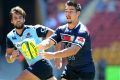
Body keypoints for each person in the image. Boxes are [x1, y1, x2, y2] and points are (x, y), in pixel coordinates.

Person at [38, 1, 95, 80]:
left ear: (78, 13)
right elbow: (49, 41)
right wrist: (38, 46)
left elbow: (73, 50)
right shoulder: (61, 29)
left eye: (71, 11)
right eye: (66, 11)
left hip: (84, 71)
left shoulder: (82, 31)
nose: (68, 14)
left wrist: (53, 55)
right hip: (70, 69)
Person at [5, 6, 61, 80]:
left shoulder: (35, 29)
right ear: (12, 21)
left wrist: (57, 56)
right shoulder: (10, 36)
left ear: (24, 19)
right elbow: (8, 57)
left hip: (42, 64)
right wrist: (12, 57)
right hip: (35, 67)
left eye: (20, 17)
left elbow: (56, 36)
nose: (18, 19)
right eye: (15, 18)